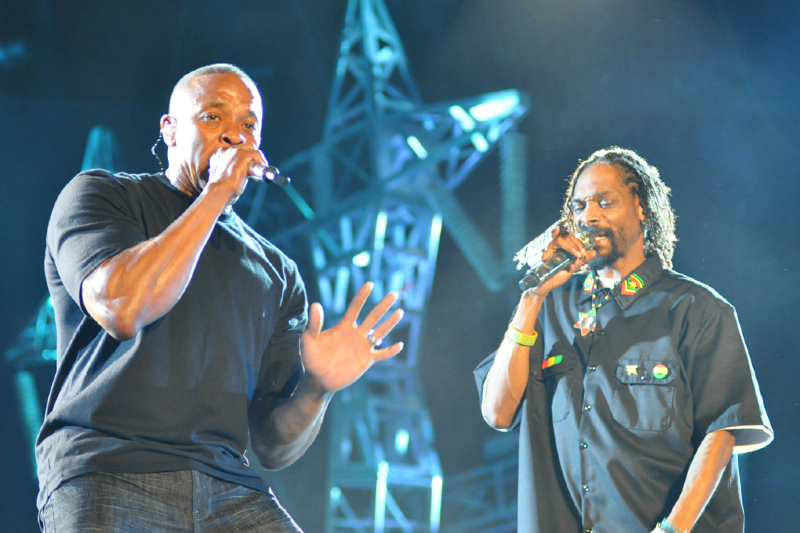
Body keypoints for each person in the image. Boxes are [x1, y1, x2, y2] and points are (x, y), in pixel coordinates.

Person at [37, 63, 404, 532]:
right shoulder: (104, 196)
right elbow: (122, 306)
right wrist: (215, 194)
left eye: (249, 125)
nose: (235, 136)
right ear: (169, 131)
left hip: (230, 488)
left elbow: (273, 446)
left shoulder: (277, 272)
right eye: (214, 118)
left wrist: (317, 388)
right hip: (109, 466)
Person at [475, 146, 772, 533]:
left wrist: (672, 529)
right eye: (579, 206)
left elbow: (722, 433)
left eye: (605, 202)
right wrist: (532, 297)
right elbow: (498, 412)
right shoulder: (548, 311)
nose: (589, 216)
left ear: (642, 209)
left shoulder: (696, 309)